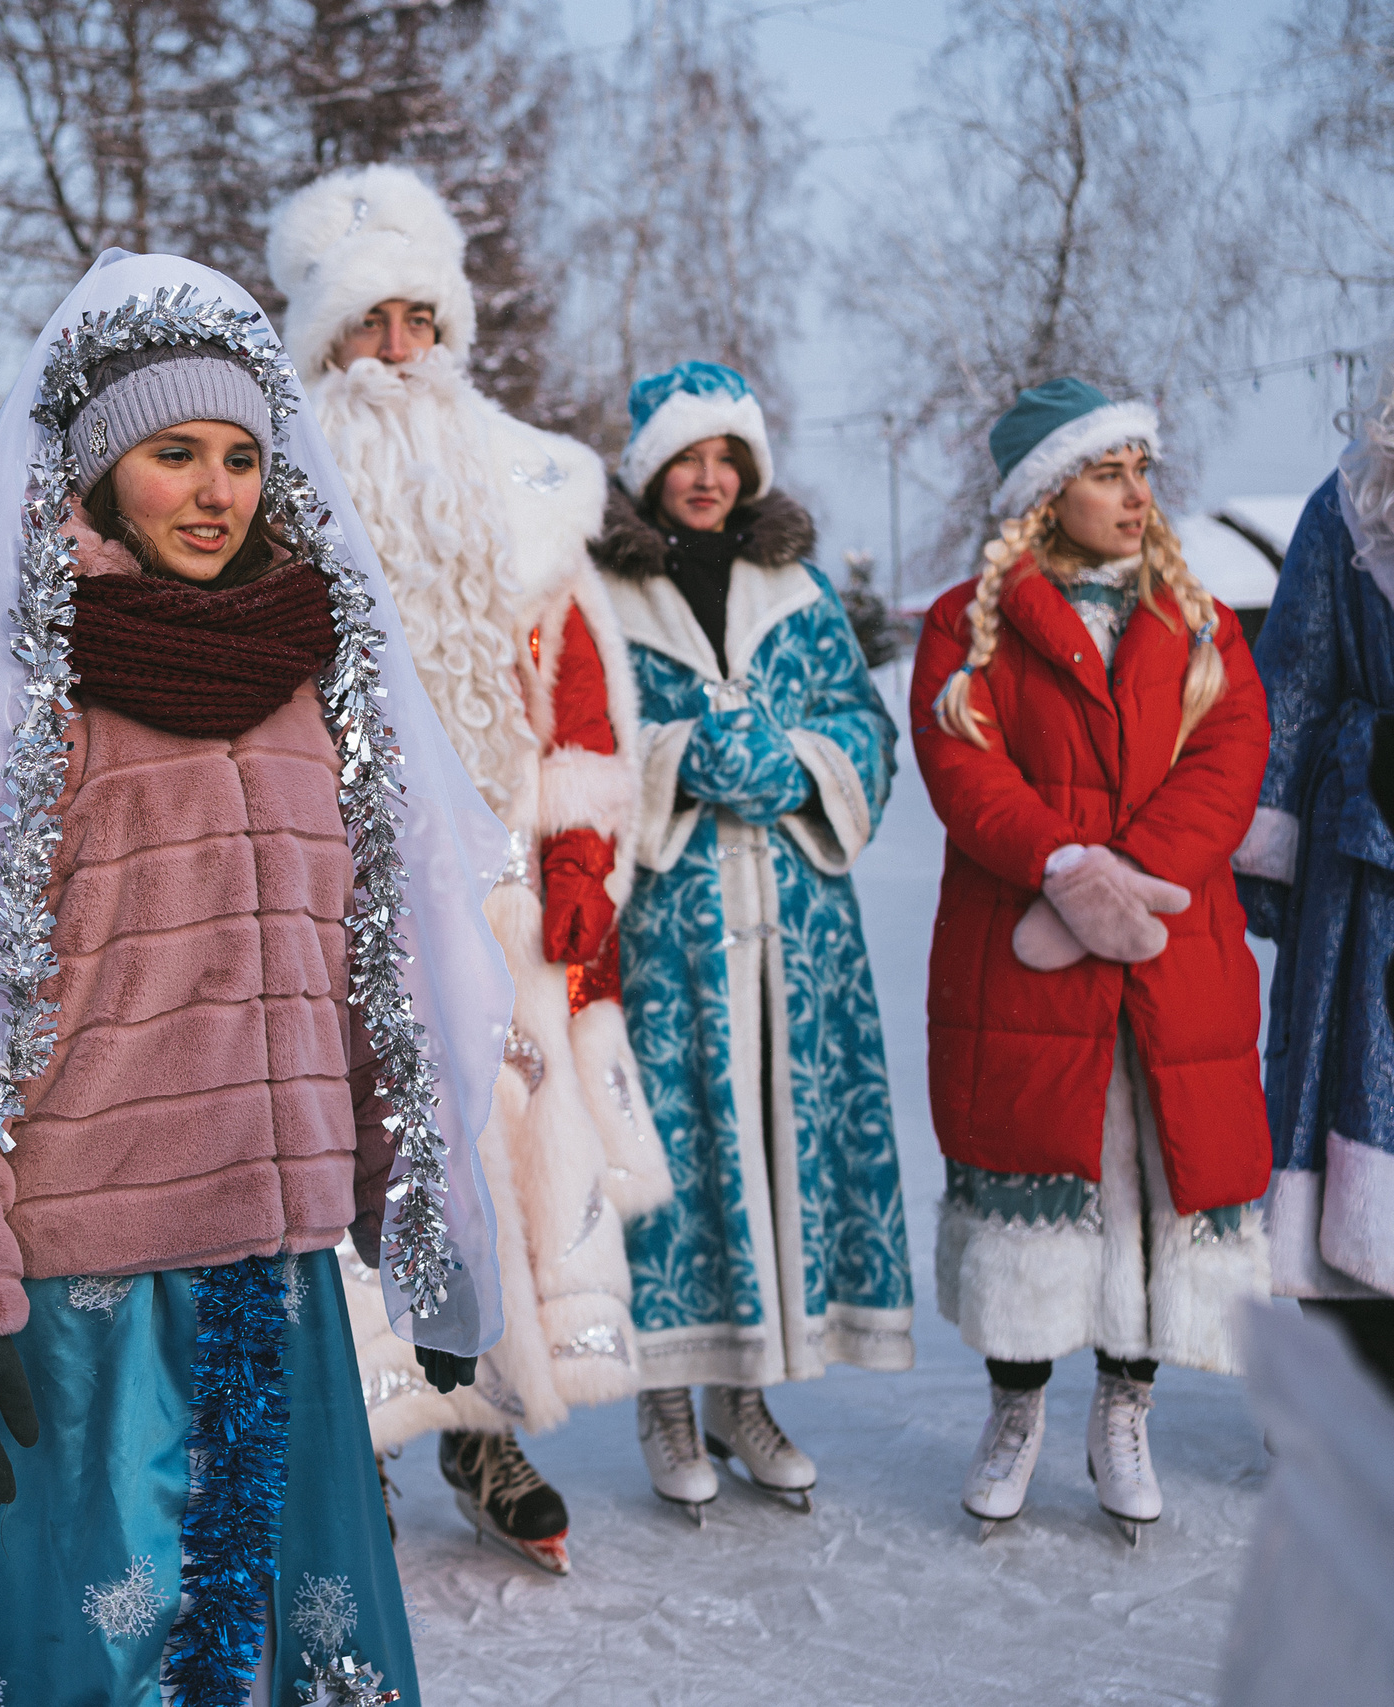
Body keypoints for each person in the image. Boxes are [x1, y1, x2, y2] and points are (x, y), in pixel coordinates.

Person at [0, 250, 514, 1707]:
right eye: (172, 454)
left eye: (239, 457)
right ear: (94, 476)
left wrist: (426, 1227)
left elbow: (366, 987)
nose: (214, 490)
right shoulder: (1, 702)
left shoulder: (306, 689)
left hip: (271, 1287)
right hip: (81, 1312)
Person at [268, 164, 672, 1575]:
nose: (397, 352)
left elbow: (581, 699)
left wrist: (581, 859)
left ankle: (487, 1419)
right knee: (359, 1176)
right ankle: (361, 1430)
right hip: (342, 893)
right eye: (369, 324)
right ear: (324, 342)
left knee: (503, 1159)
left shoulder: (531, 488)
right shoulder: (270, 494)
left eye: (417, 321)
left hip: (506, 903)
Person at [917, 378, 1271, 1544]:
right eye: (1107, 473)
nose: (1136, 495)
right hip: (1024, 963)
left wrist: (1135, 886)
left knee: (1147, 1182)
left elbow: (1231, 754)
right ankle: (1015, 1411)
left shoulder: (1198, 619)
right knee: (1039, 1178)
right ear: (1044, 492)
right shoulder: (963, 622)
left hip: (1169, 961)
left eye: (1141, 472)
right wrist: (1065, 873)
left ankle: (1124, 1409)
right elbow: (963, 770)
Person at [592, 360, 913, 1521]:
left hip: (792, 919)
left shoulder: (798, 585)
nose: (709, 477)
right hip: (671, 929)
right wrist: (676, 758)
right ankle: (667, 1394)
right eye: (688, 457)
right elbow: (569, 742)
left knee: (779, 1143)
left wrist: (799, 761)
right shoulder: (597, 593)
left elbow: (862, 726)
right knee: (676, 1153)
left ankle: (746, 1393)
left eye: (727, 457)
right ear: (650, 469)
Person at [1236, 359, 1394, 1398]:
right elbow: (1286, 687)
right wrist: (1273, 858)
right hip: (1363, 879)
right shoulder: (1347, 512)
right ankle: (1344, 1395)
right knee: (1355, 1113)